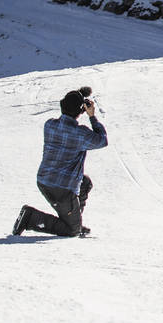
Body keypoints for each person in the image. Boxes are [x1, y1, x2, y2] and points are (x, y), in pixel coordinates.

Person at [12, 88, 108, 237]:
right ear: (81, 110)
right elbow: (102, 140)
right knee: (72, 231)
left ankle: (75, 220)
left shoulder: (49, 125)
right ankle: (30, 218)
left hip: (44, 180)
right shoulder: (80, 134)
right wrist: (92, 117)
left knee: (85, 183)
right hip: (62, 189)